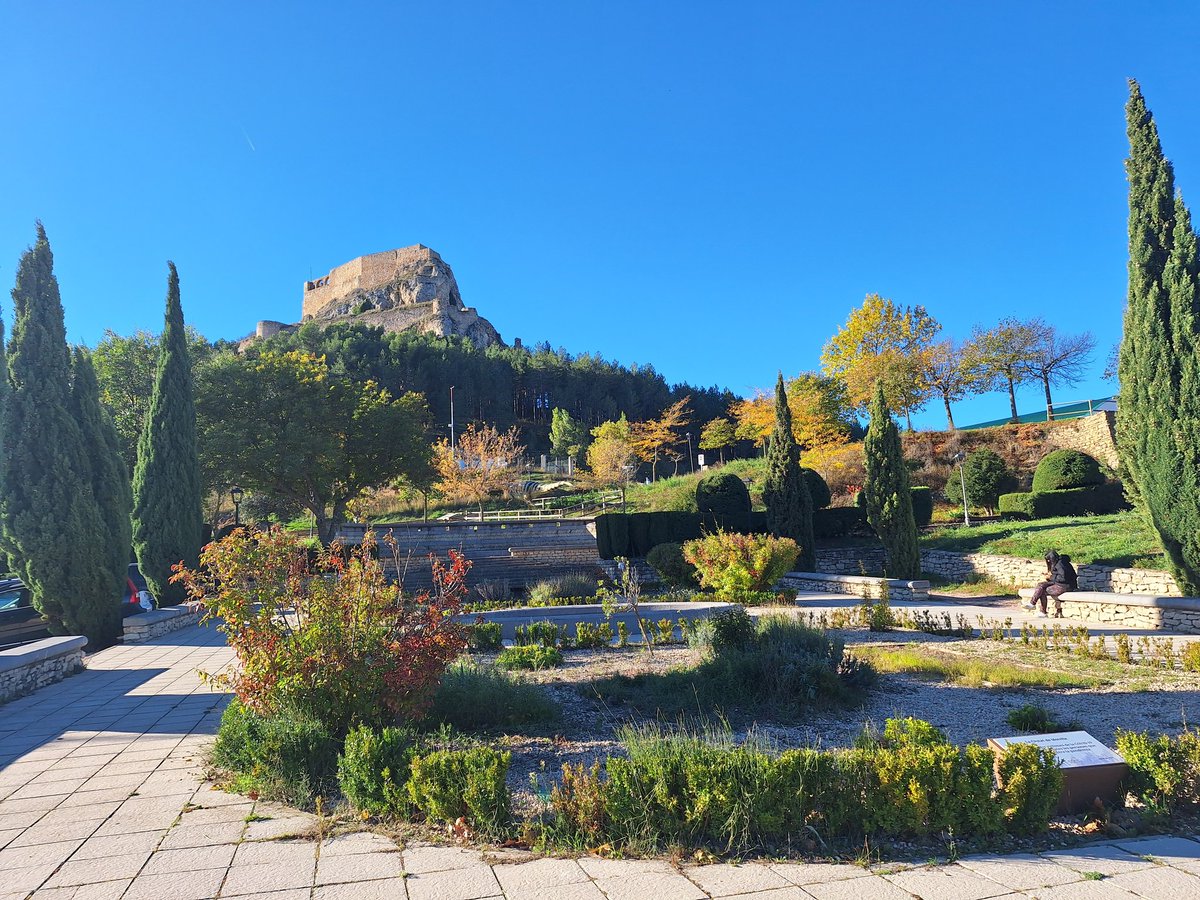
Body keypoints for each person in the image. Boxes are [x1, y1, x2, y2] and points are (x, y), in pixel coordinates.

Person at [1023, 550, 1077, 618]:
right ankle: (1033, 604)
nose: (1048, 562)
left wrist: (1051, 577)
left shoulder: (1060, 564)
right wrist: (1050, 577)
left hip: (1066, 586)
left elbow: (1064, 578)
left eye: (1049, 560)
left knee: (1042, 591)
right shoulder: (1059, 562)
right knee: (1040, 585)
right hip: (1060, 583)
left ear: (1052, 558)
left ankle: (1041, 610)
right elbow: (1059, 576)